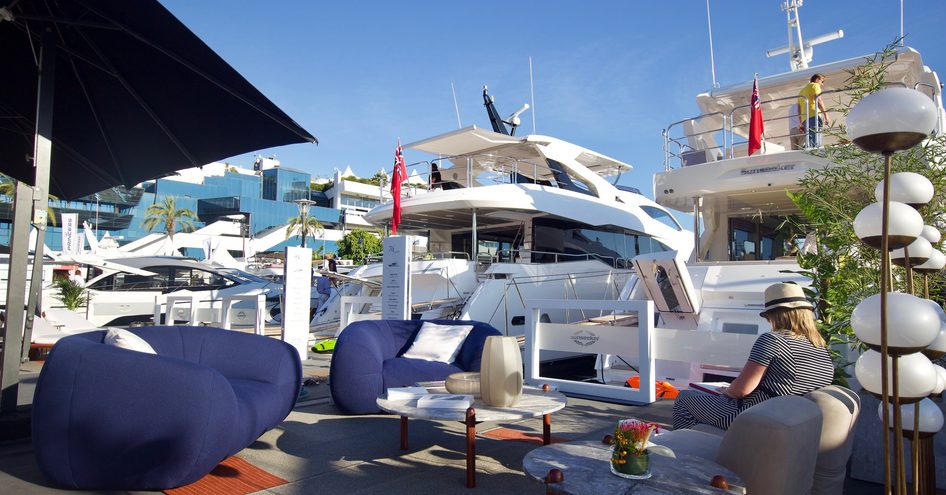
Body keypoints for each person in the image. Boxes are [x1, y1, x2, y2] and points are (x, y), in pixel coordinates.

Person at [671, 282, 833, 430]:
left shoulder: (773, 340)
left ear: (774, 315)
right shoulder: (819, 346)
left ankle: (685, 452)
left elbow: (740, 391)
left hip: (754, 416)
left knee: (684, 398)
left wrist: (727, 391)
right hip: (788, 420)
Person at [797, 73, 831, 148]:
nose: (822, 84)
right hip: (813, 115)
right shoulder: (815, 85)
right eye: (822, 82)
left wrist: (801, 123)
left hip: (805, 119)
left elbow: (799, 109)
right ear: (817, 80)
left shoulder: (801, 91)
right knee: (816, 140)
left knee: (810, 141)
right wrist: (826, 115)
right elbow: (818, 100)